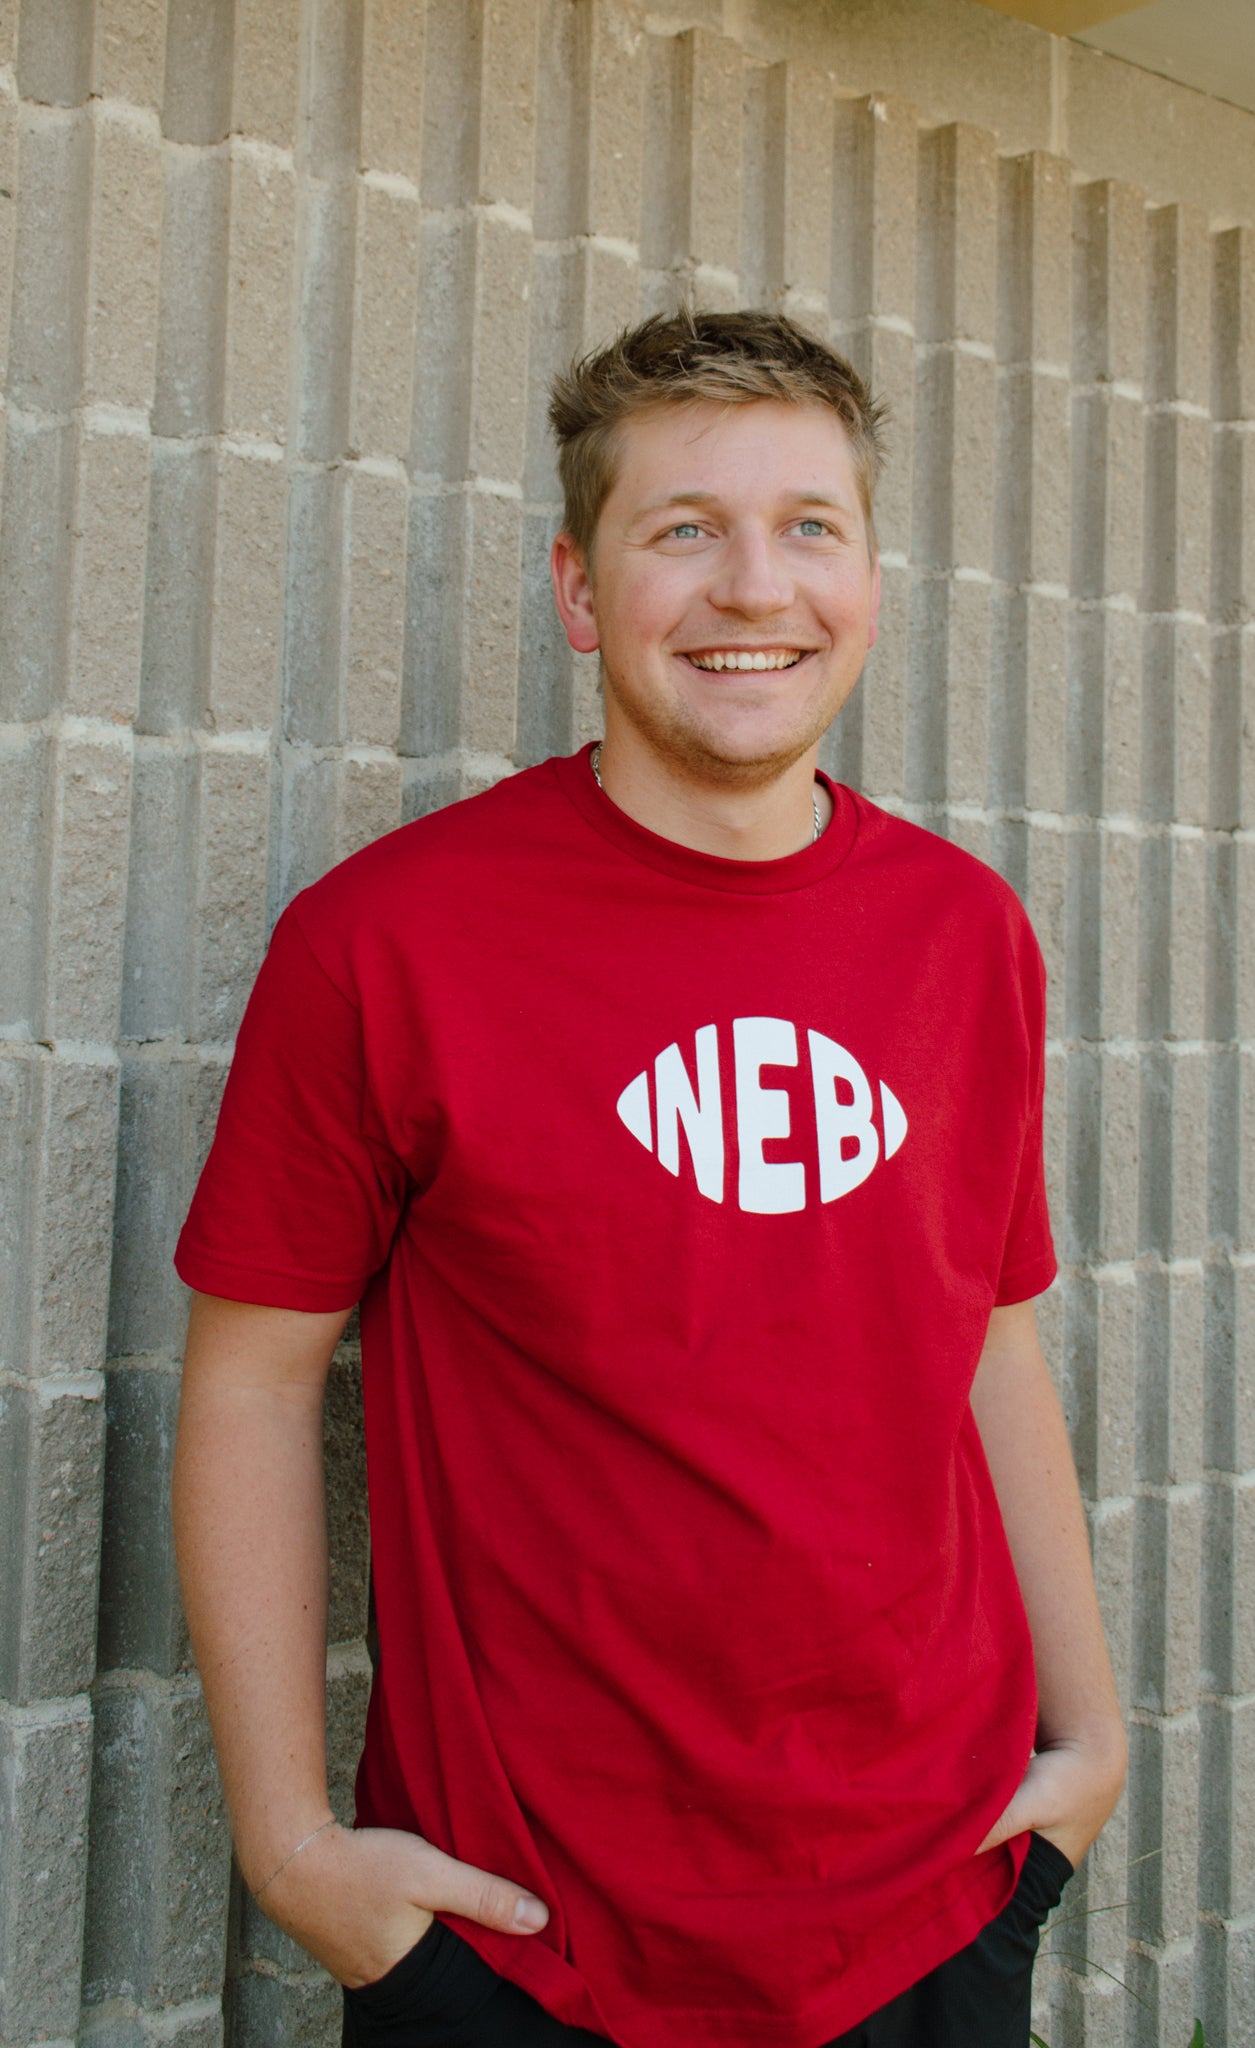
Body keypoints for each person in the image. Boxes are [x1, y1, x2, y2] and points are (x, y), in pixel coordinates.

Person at [172, 310, 1126, 2048]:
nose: (753, 586)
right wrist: (295, 1845)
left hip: (934, 1902)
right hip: (531, 1940)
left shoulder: (962, 935)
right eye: (682, 528)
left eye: (806, 526)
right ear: (579, 589)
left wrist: (1090, 1740)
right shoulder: (386, 946)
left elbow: (987, 1334)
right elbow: (249, 1382)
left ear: (869, 575)